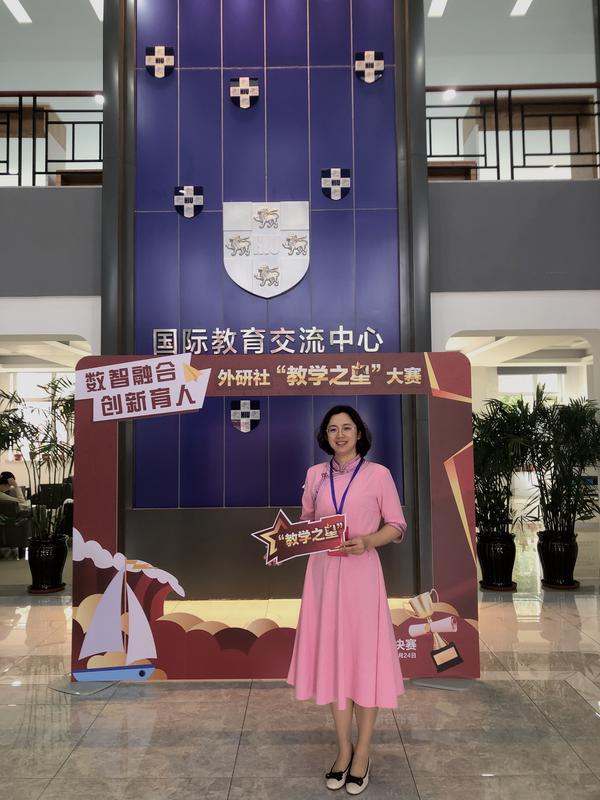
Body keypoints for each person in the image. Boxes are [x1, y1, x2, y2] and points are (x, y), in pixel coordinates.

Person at [286, 405, 406, 795]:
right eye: (333, 429)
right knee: (336, 662)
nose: (340, 435)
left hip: (361, 576)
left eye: (347, 428)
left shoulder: (379, 475)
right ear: (325, 436)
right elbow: (306, 521)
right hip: (323, 575)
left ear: (359, 433)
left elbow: (397, 525)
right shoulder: (315, 475)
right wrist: (290, 537)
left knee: (363, 661)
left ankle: (362, 753)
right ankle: (343, 750)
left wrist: (368, 540)